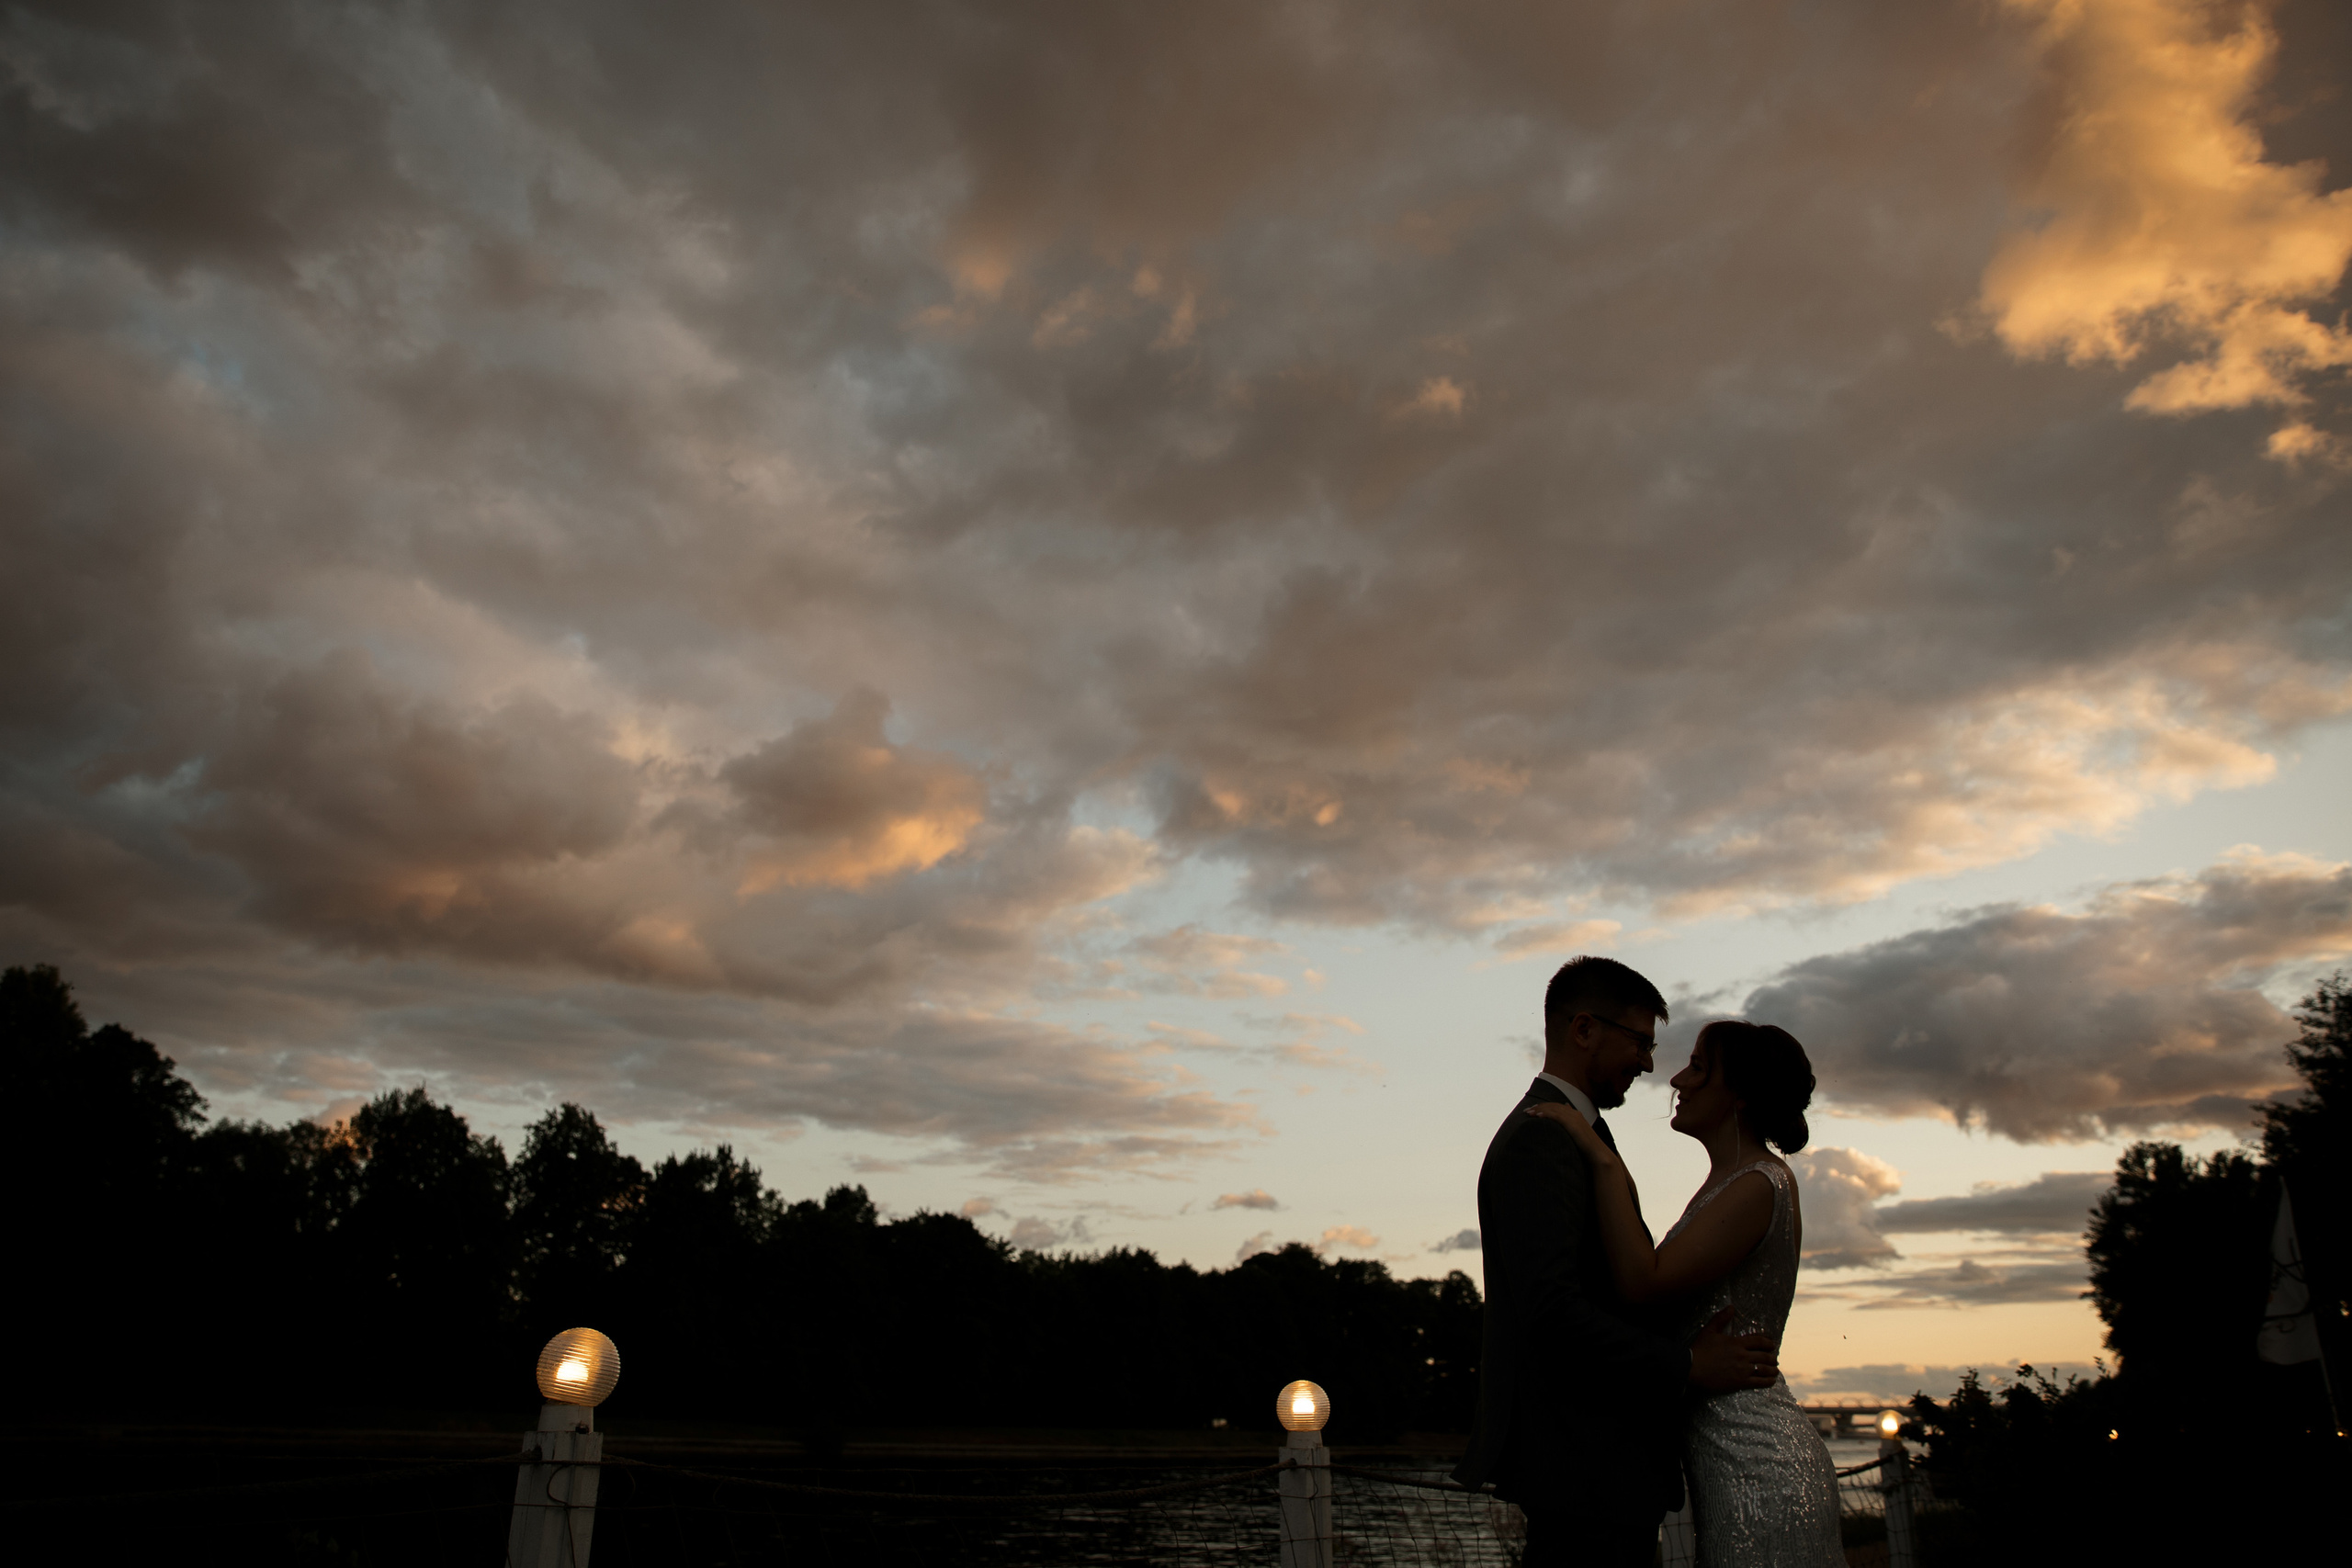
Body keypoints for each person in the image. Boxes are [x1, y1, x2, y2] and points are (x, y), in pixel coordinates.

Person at [1454, 957, 1782, 1568]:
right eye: (1640, 1041)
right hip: (1584, 1469)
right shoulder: (1543, 1138)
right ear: (1584, 1029)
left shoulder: (1579, 1134)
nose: (1650, 1064)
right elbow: (1552, 1312)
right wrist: (1689, 1363)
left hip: (1601, 1475)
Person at [1526, 1017, 1844, 1567]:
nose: (1677, 1080)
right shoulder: (1728, 1183)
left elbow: (1644, 1282)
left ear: (1739, 1095)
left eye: (1698, 1067)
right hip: (1729, 1465)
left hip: (1760, 1468)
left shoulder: (1758, 1183)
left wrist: (1600, 1158)